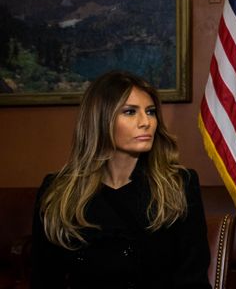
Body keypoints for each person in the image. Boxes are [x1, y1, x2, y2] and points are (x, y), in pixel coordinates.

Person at [31, 71, 211, 288]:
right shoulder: (58, 189)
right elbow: (44, 278)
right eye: (130, 112)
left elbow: (193, 280)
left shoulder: (179, 184)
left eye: (151, 112)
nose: (146, 122)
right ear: (100, 119)